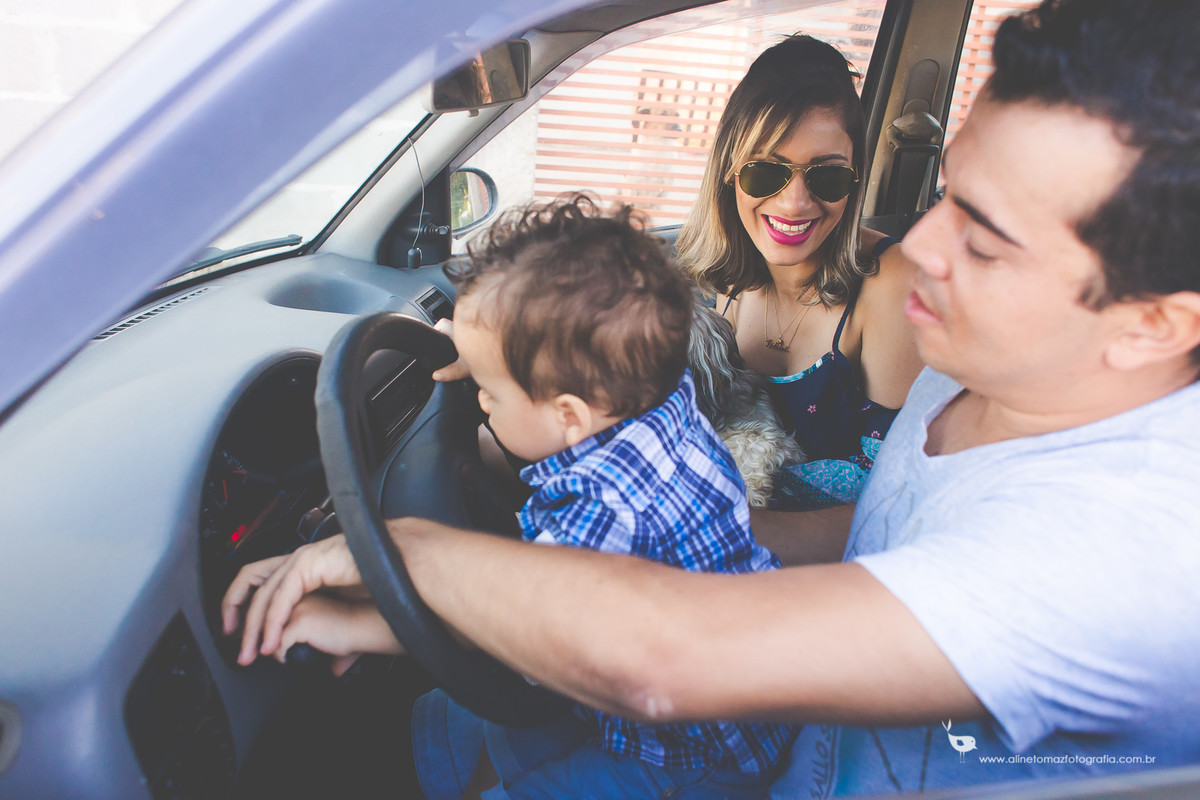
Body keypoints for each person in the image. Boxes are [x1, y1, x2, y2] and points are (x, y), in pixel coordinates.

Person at [224, 0, 1200, 795]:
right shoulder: (1005, 354)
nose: (917, 245)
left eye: (984, 239)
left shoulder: (1126, 545)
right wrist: (692, 534)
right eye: (946, 194)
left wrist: (404, 549)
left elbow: (662, 662)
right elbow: (885, 532)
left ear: (1155, 322)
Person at [226, 195, 796, 799]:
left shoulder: (602, 514)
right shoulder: (651, 392)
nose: (480, 401)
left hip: (686, 755)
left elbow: (522, 634)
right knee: (469, 730)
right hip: (705, 687)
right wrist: (492, 349)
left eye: (491, 394)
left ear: (569, 414)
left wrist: (358, 626)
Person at [676, 34, 924, 509]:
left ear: (855, 178)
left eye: (826, 175)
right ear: (729, 171)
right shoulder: (723, 283)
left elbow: (898, 500)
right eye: (766, 171)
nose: (795, 203)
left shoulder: (892, 281)